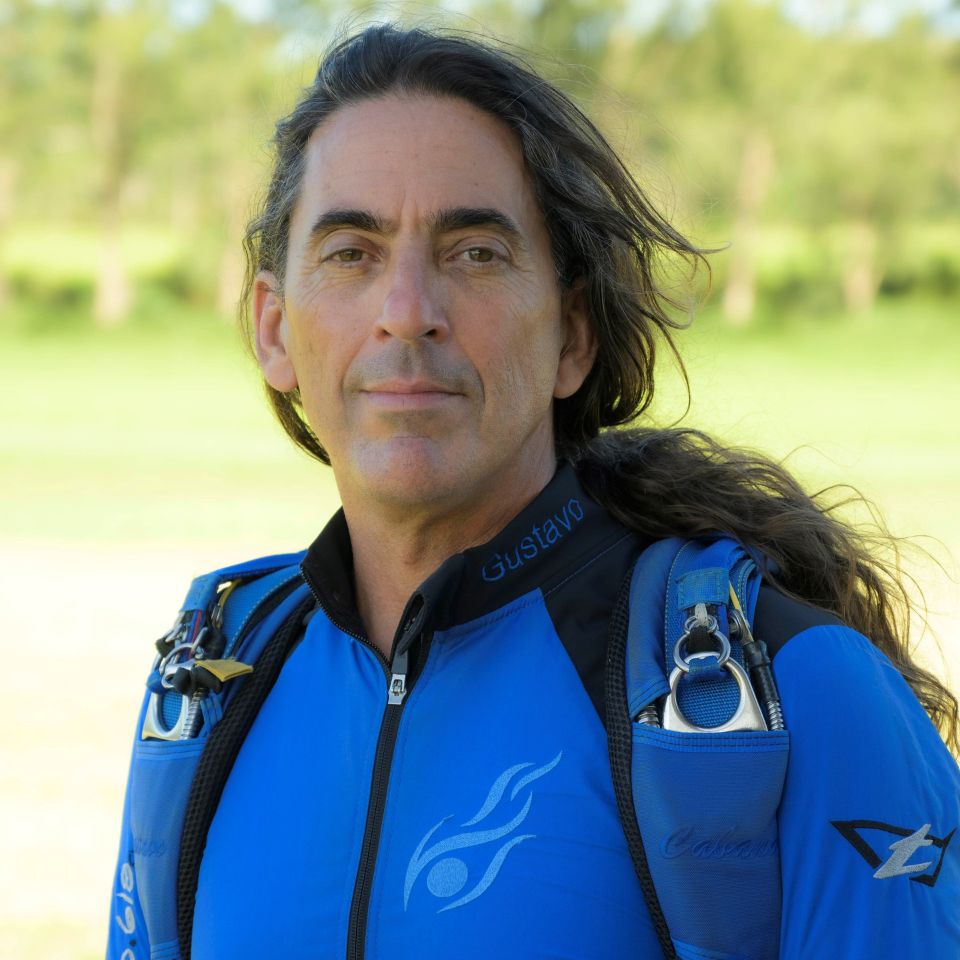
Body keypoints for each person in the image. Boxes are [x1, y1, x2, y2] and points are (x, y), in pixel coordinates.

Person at [106, 24, 960, 960]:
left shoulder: (796, 693)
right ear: (274, 331)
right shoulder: (211, 691)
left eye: (475, 251)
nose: (407, 312)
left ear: (572, 334)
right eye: (352, 252)